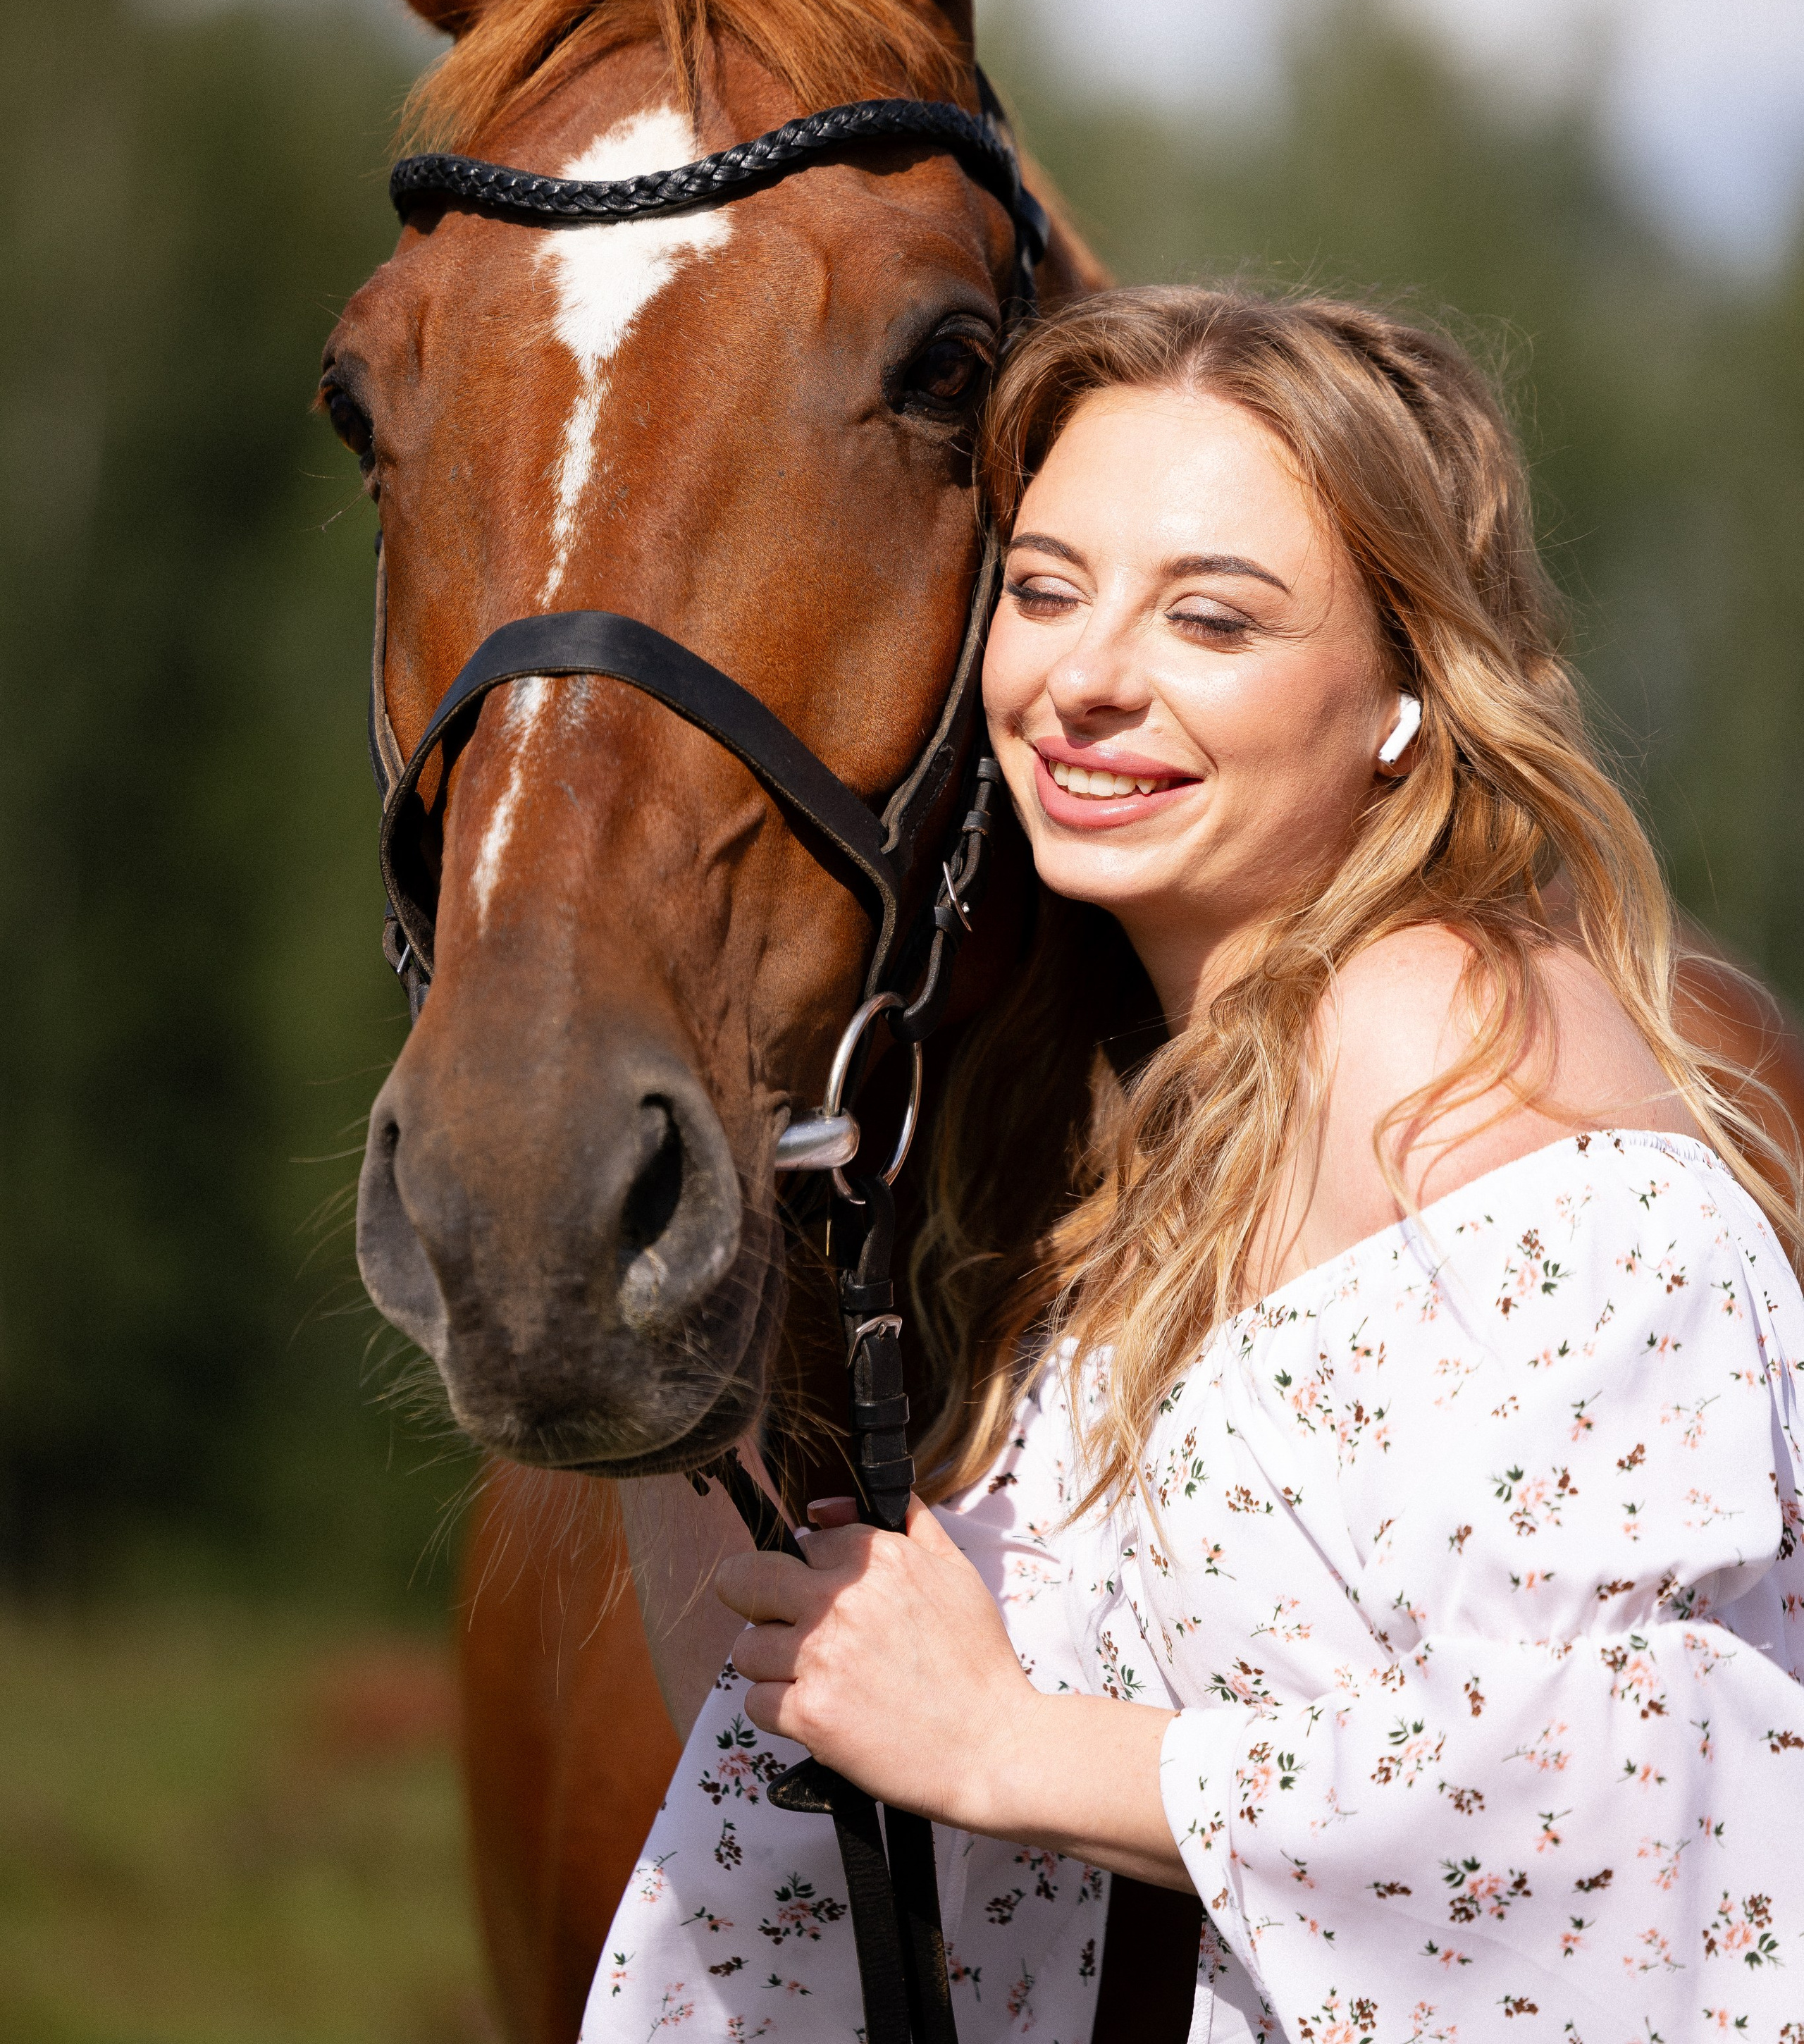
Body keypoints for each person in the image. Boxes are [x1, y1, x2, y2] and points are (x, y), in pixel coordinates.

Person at [588, 288, 1804, 2041]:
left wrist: (1004, 1741)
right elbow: (845, 1768)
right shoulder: (1145, 1108)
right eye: (1043, 590)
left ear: (1404, 690)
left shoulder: (1436, 1044)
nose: (1082, 678)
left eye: (1210, 617)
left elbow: (1626, 1803)